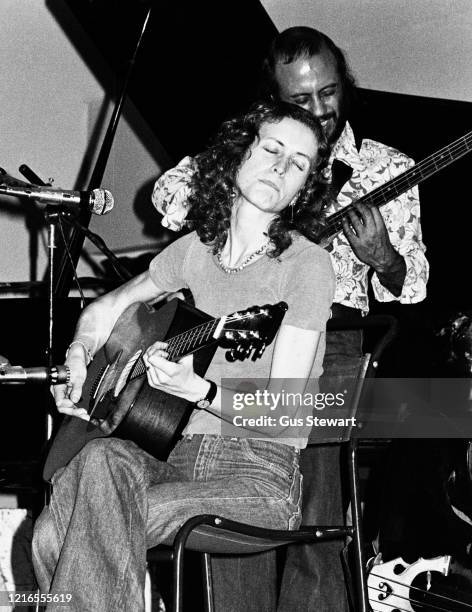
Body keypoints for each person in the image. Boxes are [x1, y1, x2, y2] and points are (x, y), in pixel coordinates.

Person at [151, 26, 429, 612]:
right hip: (240, 340)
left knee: (312, 506)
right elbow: (166, 196)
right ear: (271, 103)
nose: (320, 110)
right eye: (300, 101)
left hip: (338, 345)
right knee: (223, 500)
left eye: (329, 93)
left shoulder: (386, 167)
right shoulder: (261, 153)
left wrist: (383, 257)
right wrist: (241, 191)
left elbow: (414, 288)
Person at [32, 100, 336, 611]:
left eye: (300, 164)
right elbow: (109, 306)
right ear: (240, 154)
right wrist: (81, 353)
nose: (283, 167)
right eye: (273, 149)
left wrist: (202, 391)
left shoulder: (306, 266)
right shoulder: (196, 249)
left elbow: (284, 411)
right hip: (167, 454)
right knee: (100, 459)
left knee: (56, 536)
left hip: (256, 473)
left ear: (302, 189)